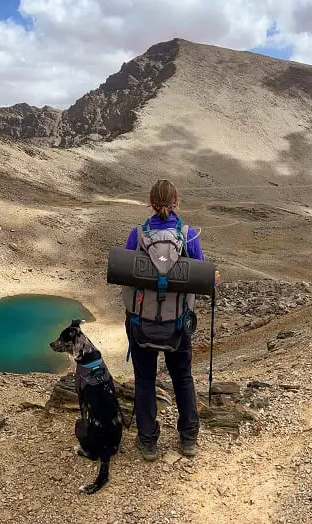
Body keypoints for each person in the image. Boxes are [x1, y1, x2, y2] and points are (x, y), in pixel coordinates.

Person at [123, 179, 216, 461]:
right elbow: (200, 279)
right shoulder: (188, 236)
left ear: (151, 203)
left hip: (141, 325)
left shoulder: (137, 235)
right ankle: (188, 439)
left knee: (145, 380)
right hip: (177, 326)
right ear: (176, 201)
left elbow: (126, 278)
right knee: (183, 378)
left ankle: (148, 442)